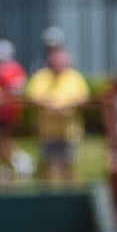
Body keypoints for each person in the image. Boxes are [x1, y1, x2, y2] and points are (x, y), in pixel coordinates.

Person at [25, 38, 90, 182]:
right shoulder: (40, 77)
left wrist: (69, 106)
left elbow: (84, 98)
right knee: (47, 167)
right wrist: (48, 106)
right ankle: (46, 192)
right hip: (47, 132)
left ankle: (69, 192)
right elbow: (31, 98)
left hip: (69, 132)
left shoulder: (74, 77)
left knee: (68, 166)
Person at [0, 39, 30, 183]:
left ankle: (22, 164)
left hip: (6, 113)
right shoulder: (2, 69)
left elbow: (17, 90)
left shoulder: (11, 69)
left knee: (4, 143)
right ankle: (7, 169)